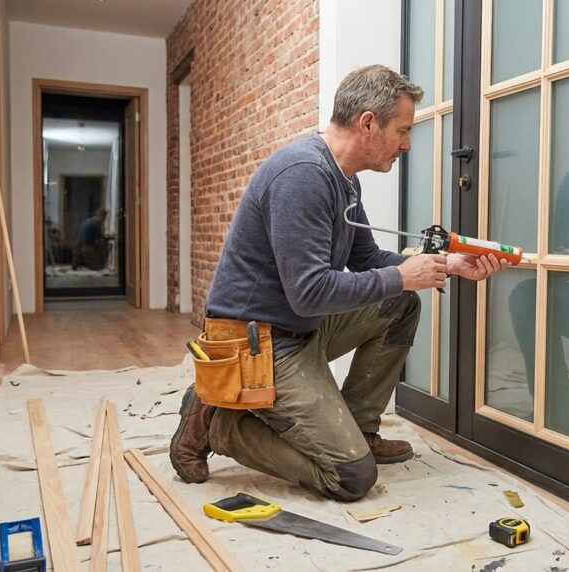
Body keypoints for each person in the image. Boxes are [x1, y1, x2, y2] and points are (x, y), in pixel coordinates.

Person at [169, 65, 508, 501]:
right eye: (403, 130)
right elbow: (309, 293)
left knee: (399, 302)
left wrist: (447, 264)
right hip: (257, 344)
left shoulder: (344, 180)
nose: (407, 144)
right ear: (368, 123)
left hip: (298, 327)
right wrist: (402, 274)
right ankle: (221, 424)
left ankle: (359, 431)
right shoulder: (303, 175)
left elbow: (366, 259)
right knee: (350, 478)